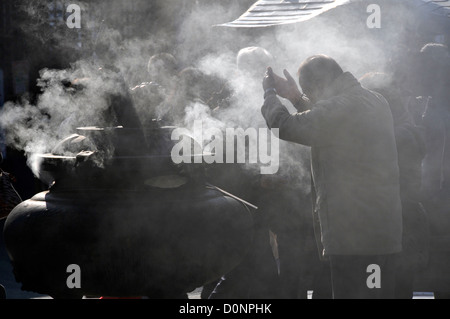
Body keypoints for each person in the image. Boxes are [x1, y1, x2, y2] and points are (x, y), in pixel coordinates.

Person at [261, 54, 403, 299]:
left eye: (310, 91)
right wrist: (297, 97)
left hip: (353, 238)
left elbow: (283, 126)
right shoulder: (375, 100)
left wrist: (269, 95)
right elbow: (325, 120)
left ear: (319, 86)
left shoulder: (339, 108)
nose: (311, 98)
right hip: (383, 232)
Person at [360, 72, 428, 298]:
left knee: (378, 286)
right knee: (397, 286)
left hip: (386, 226)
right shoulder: (405, 130)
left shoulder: (393, 136)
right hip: (403, 223)